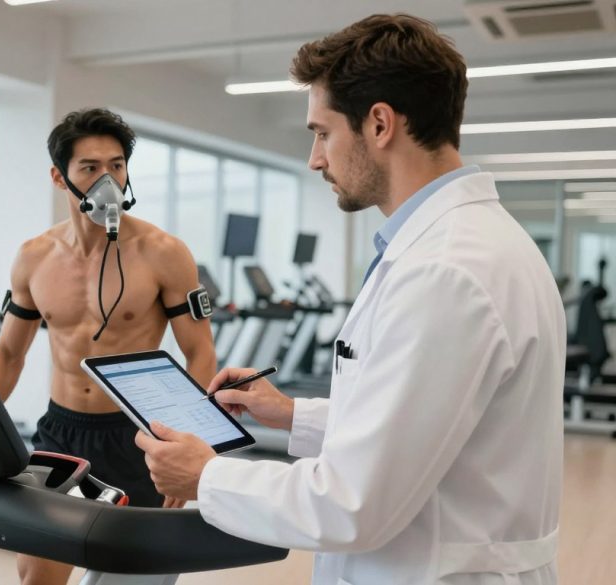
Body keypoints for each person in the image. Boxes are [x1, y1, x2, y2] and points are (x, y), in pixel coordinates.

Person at [136, 14, 565, 585]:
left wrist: (206, 476)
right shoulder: (470, 245)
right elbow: (421, 421)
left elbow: (352, 504)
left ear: (380, 124)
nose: (315, 158)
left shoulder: (445, 271)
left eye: (321, 132)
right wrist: (292, 416)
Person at [0, 107, 217, 585]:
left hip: (137, 434)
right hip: (61, 434)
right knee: (37, 575)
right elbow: (10, 354)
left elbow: (200, 353)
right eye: (90, 168)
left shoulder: (163, 253)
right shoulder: (33, 257)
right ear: (59, 176)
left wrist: (186, 445)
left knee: (135, 576)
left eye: (116, 165)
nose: (106, 179)